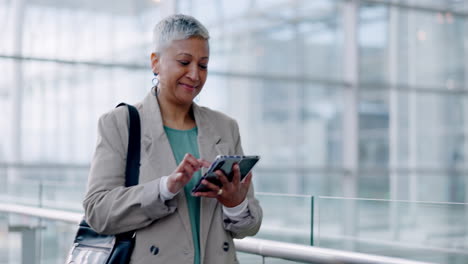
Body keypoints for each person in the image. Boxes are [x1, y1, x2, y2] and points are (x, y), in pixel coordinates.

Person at [83, 14, 263, 264]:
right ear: (155, 62)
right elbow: (98, 211)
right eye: (184, 62)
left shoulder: (225, 127)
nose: (195, 75)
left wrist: (236, 204)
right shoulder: (120, 124)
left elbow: (248, 227)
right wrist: (164, 188)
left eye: (203, 65)